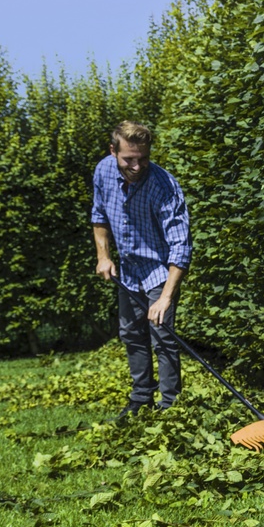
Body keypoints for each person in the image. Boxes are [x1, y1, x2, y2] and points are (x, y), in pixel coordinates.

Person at [91, 121, 192, 417]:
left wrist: (165, 298)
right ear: (113, 151)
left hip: (161, 271)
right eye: (129, 159)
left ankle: (170, 406)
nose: (136, 166)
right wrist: (103, 256)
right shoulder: (103, 171)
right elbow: (99, 216)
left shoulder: (164, 186)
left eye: (143, 159)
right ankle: (141, 398)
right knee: (131, 334)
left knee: (162, 337)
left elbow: (181, 246)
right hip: (129, 269)